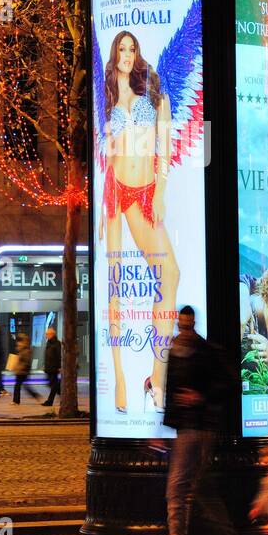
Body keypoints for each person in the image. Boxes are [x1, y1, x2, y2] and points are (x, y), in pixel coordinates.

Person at [100, 30, 182, 414]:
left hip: (145, 191)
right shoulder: (108, 99)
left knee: (170, 274)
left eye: (132, 48)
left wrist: (161, 191)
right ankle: (120, 376)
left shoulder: (154, 95)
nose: (127, 54)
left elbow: (165, 147)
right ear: (114, 53)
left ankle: (157, 376)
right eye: (122, 48)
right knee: (115, 282)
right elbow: (107, 153)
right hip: (116, 189)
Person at [151, 306, 249, 535]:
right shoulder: (176, 350)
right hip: (186, 428)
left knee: (177, 490)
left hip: (198, 429)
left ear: (193, 324)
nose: (185, 329)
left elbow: (230, 383)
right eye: (182, 325)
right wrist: (165, 428)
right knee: (202, 490)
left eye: (188, 325)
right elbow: (173, 392)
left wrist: (201, 397)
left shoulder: (205, 351)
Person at [11, 332, 42, 404]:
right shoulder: (22, 349)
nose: (18, 343)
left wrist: (21, 366)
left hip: (23, 370)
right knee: (22, 385)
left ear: (23, 341)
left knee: (18, 385)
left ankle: (16, 401)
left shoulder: (26, 350)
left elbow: (26, 361)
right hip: (20, 370)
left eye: (20, 341)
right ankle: (34, 395)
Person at [42, 327, 62, 407]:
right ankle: (63, 395)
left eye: (47, 334)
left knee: (53, 385)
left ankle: (50, 401)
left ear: (52, 334)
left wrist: (59, 366)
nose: (46, 335)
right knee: (52, 384)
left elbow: (59, 355)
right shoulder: (49, 342)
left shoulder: (57, 343)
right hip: (49, 367)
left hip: (54, 367)